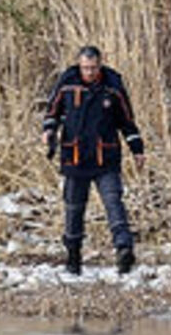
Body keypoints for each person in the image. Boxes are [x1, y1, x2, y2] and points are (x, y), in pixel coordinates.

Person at [42, 46, 145, 276]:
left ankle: (124, 249)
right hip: (74, 157)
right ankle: (73, 257)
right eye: (85, 68)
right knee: (74, 208)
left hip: (105, 157)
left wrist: (137, 149)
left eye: (94, 68)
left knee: (114, 202)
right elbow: (51, 113)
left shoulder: (113, 87)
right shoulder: (67, 84)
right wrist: (49, 131)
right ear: (79, 65)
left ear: (100, 65)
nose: (89, 72)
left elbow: (127, 121)